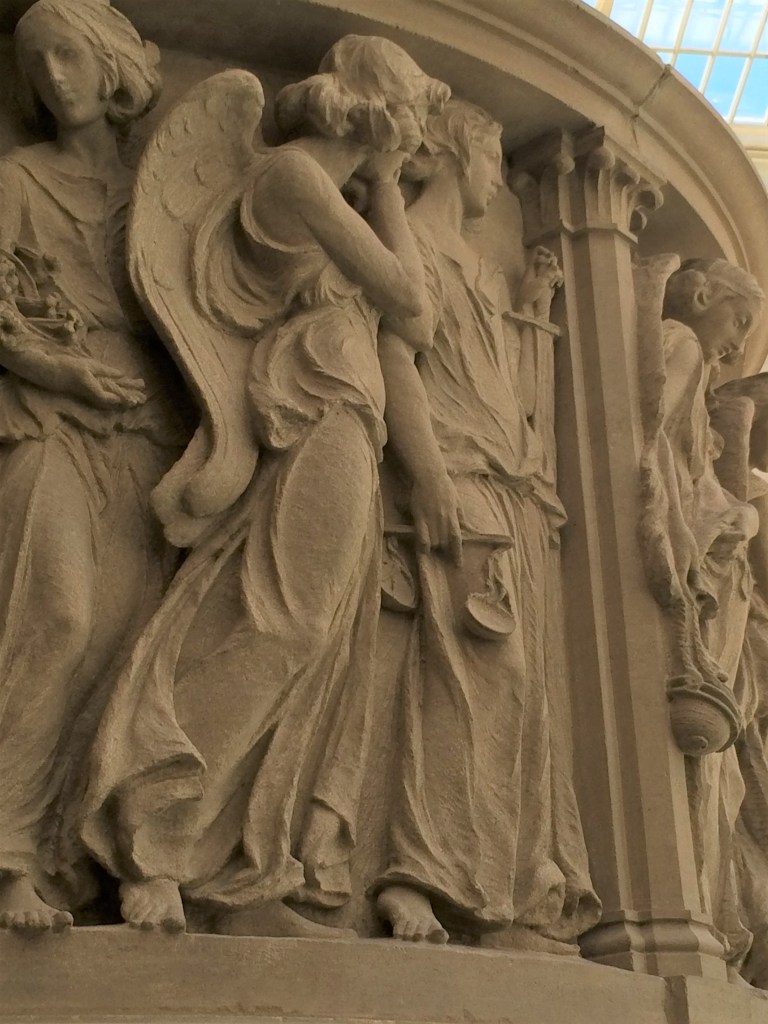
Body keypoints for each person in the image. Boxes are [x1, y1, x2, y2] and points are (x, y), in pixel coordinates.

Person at [81, 36, 449, 936]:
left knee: (314, 633)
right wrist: (391, 182)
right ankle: (147, 818)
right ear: (379, 109)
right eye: (410, 116)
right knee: (284, 619)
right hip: (314, 399)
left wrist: (385, 185)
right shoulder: (293, 177)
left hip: (346, 406)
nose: (414, 136)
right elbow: (407, 295)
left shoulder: (333, 193)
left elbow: (414, 315)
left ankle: (236, 857)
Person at [371, 99, 599, 944]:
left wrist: (533, 310)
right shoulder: (418, 251)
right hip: (454, 481)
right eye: (494, 156)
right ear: (459, 153)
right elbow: (398, 352)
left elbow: (508, 397)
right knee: (465, 673)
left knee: (507, 691)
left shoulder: (479, 268)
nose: (498, 176)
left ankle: (490, 882)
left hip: (504, 493)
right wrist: (425, 476)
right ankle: (411, 876)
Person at [0, 0, 188, 931]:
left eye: (68, 56)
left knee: (130, 643)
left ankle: (98, 853)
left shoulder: (161, 191)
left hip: (149, 436)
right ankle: (4, 857)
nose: (55, 81)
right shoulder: (19, 181)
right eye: (36, 67)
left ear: (112, 65)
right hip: (47, 419)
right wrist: (57, 368)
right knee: (53, 614)